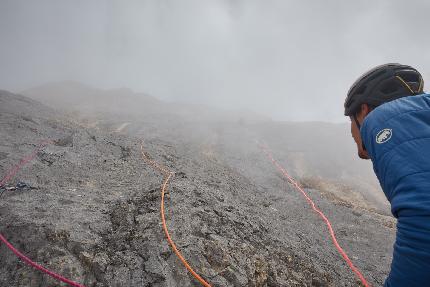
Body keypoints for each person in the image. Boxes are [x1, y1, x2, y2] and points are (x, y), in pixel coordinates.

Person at [344, 63, 430, 286]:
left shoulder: (383, 118)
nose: (351, 133)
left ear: (363, 111)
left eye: (349, 122)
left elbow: (424, 215)